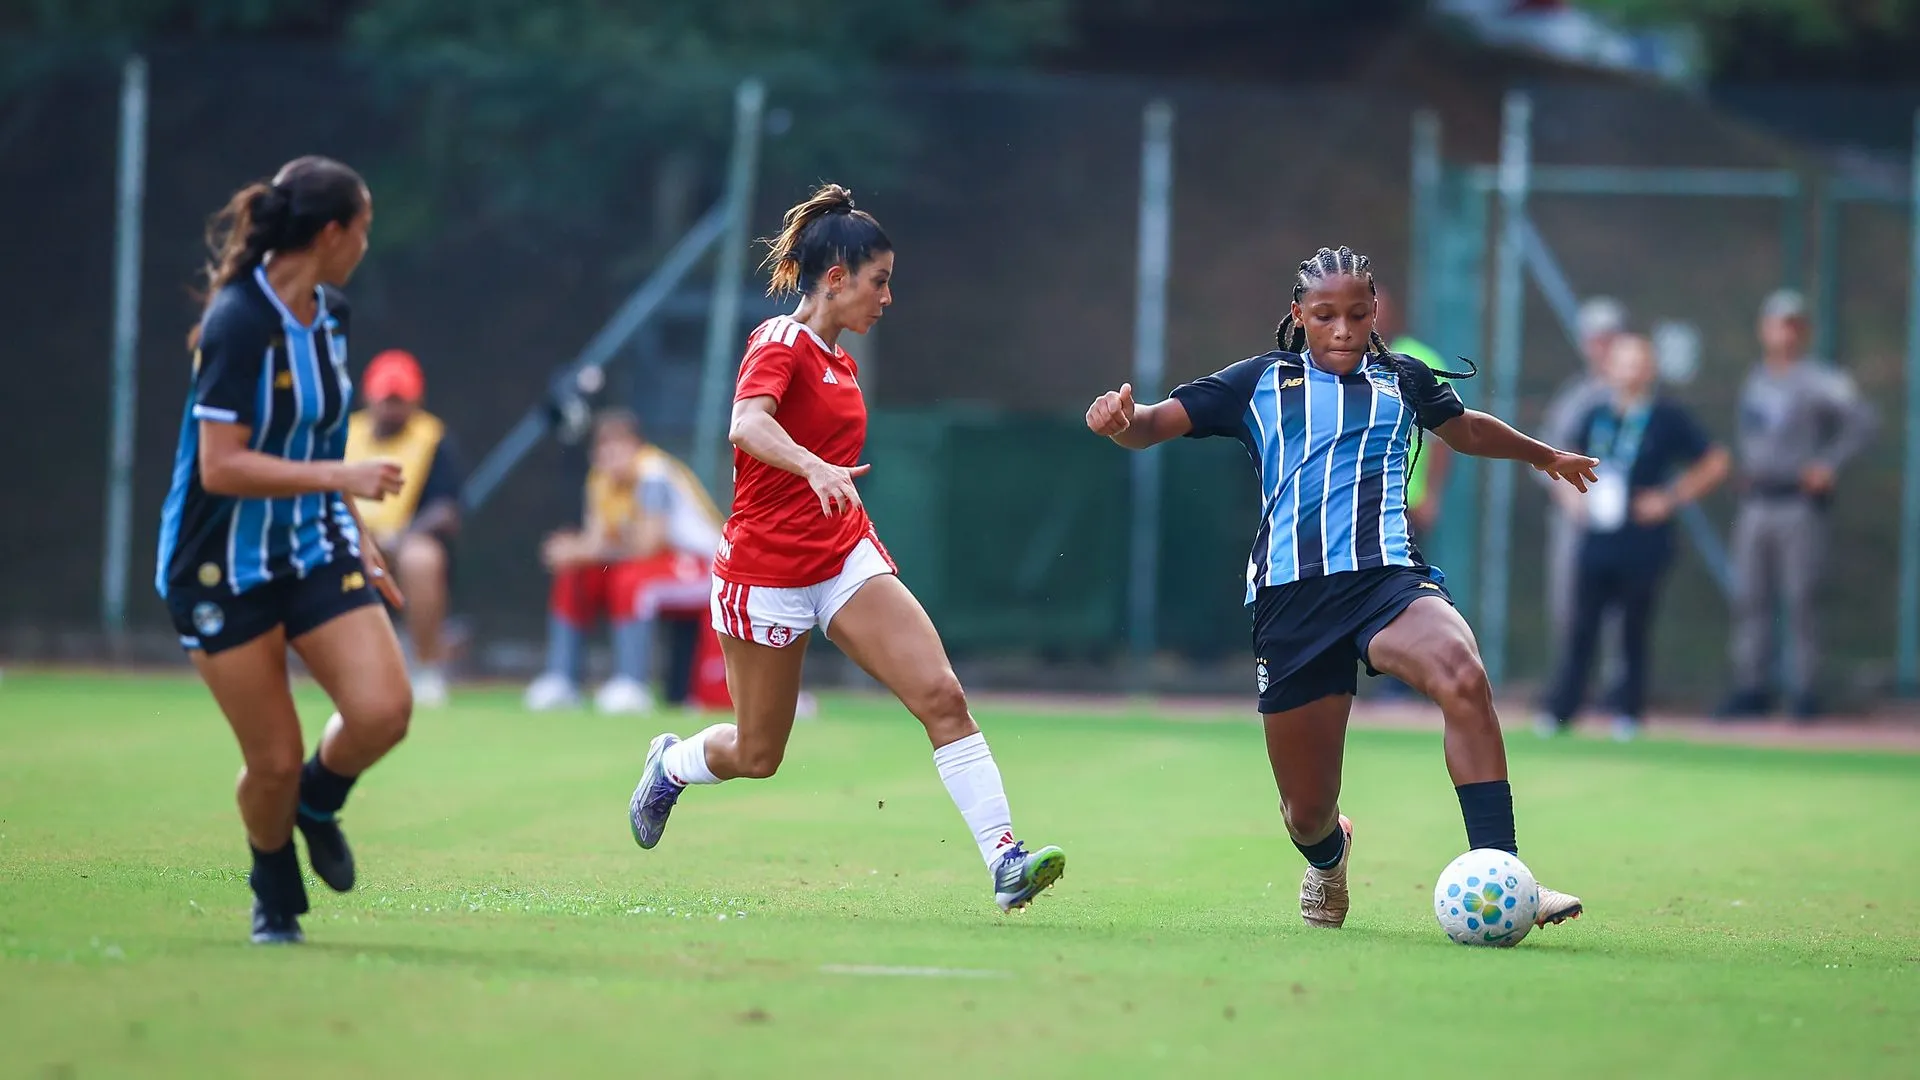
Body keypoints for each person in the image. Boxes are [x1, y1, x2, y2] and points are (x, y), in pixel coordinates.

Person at [1084, 245, 1591, 932]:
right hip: (1293, 604)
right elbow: (1152, 425)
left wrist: (1545, 454)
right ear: (1299, 315)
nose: (1344, 329)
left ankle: (1505, 874)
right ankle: (1329, 856)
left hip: (1388, 583)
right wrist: (1121, 422)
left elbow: (1465, 430)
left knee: (1463, 675)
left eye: (1358, 313)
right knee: (1306, 811)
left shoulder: (1403, 378)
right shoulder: (1257, 382)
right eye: (1326, 316)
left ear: (1375, 311)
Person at [626, 184, 1065, 913]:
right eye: (880, 281)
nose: (888, 298)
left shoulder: (841, 363)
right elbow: (746, 426)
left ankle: (1004, 861)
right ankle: (670, 766)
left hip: (842, 560)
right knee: (758, 754)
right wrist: (813, 464)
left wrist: (826, 482)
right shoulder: (780, 342)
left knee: (942, 697)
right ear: (836, 279)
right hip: (764, 573)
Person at [154, 156, 410, 945]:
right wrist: (342, 475)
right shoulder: (238, 323)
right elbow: (220, 466)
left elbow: (321, 432)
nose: (367, 243)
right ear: (332, 233)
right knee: (270, 757)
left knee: (382, 712)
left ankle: (317, 803)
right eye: (363, 228)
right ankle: (272, 887)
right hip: (218, 565)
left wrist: (357, 533)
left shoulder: (330, 313)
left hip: (310, 541)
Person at [1540, 333, 1729, 741]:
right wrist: (1571, 499)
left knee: (1633, 629)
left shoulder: (1666, 416)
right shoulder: (1594, 413)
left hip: (1643, 540)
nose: (1630, 370)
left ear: (1650, 369)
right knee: (1581, 626)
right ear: (1609, 368)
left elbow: (1715, 461)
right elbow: (1558, 456)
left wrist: (1670, 497)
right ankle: (1561, 711)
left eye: (1638, 362)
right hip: (1597, 537)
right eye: (1622, 361)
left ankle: (1627, 711)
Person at [1720, 289, 1877, 719]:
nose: (1784, 332)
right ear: (1764, 329)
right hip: (1757, 500)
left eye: (1792, 324)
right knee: (1750, 597)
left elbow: (1863, 422)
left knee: (1802, 597)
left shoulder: (1820, 379)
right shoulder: (1756, 378)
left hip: (1798, 502)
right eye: (1777, 323)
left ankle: (1804, 691)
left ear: (1803, 331)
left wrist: (1829, 462)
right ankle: (1752, 687)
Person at [526, 409, 729, 714]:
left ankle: (632, 684)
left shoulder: (653, 474)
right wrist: (574, 551)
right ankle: (561, 680)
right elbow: (596, 542)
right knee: (576, 575)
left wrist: (581, 550)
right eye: (603, 448)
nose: (610, 455)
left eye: (619, 447)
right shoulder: (600, 479)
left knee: (632, 581)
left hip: (707, 568)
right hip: (660, 564)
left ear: (637, 447)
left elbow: (648, 544)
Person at [343, 349, 465, 708]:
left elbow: (447, 510)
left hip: (405, 542)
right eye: (387, 400)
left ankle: (426, 670)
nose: (393, 409)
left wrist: (402, 536)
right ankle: (347, 671)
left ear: (416, 399)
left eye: (401, 401)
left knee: (422, 559)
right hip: (351, 539)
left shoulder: (433, 438)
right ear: (369, 396)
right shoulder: (346, 433)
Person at [1540, 297, 1629, 671]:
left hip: (1625, 523)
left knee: (1621, 609)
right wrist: (1570, 499)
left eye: (1609, 338)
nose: (1602, 347)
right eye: (1595, 339)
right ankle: (1571, 687)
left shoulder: (1637, 395)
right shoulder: (1574, 398)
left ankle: (1616, 688)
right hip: (1576, 517)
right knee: (1568, 603)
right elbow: (1543, 455)